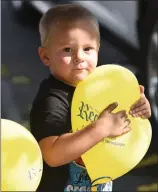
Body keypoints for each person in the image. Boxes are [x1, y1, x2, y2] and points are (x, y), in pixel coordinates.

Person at [30, 4, 151, 192]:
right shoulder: (52, 100)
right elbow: (52, 154)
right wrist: (101, 128)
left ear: (98, 49)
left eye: (87, 49)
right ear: (45, 56)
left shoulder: (104, 87)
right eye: (67, 50)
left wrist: (138, 109)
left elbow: (124, 123)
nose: (79, 57)